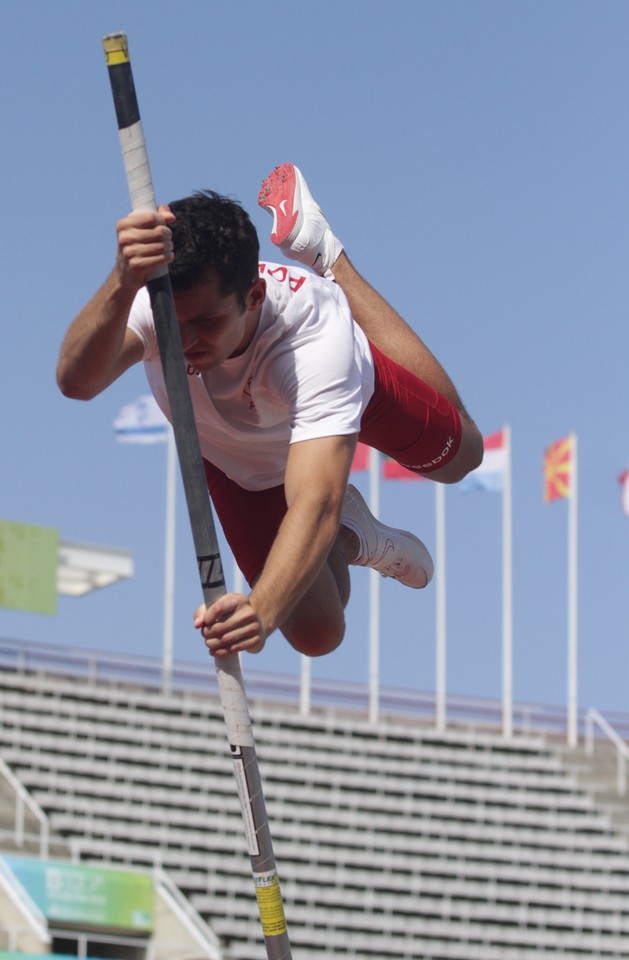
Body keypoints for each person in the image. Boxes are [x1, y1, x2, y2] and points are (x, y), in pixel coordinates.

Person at [57, 163, 482, 661]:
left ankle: (328, 256)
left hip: (335, 401)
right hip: (238, 463)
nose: (187, 341)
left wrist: (259, 612)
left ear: (253, 297)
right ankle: (353, 536)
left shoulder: (314, 340)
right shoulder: (156, 304)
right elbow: (75, 382)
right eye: (176, 324)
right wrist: (120, 279)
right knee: (319, 634)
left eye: (209, 323)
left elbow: (313, 503)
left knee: (460, 458)